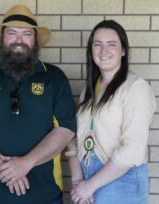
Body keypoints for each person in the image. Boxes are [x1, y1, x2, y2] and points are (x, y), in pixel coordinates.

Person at [0, 4, 76, 204]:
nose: (19, 40)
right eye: (12, 33)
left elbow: (66, 129)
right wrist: (4, 167)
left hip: (45, 195)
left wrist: (25, 164)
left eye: (26, 34)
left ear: (35, 40)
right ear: (2, 37)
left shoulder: (55, 78)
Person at [66, 20, 156, 204]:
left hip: (122, 182)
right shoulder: (89, 90)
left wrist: (90, 185)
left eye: (111, 45)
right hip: (87, 181)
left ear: (123, 50)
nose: (103, 51)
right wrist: (78, 181)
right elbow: (73, 138)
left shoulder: (135, 87)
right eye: (97, 44)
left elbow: (132, 149)